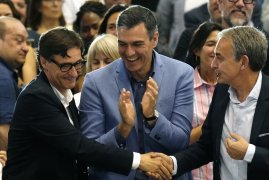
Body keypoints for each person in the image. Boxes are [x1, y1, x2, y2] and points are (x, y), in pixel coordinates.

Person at [2, 27, 172, 180]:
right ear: (44, 62)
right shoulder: (37, 98)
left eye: (78, 64)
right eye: (66, 66)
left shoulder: (63, 92)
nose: (74, 72)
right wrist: (138, 160)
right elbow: (80, 147)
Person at [155, 26, 269, 180]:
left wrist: (250, 153)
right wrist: (172, 163)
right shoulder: (222, 92)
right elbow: (206, 146)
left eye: (220, 57)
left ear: (243, 62)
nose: (213, 64)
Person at [79, 5, 194, 180]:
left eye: (137, 44)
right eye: (122, 44)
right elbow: (91, 152)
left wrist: (152, 118)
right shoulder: (95, 82)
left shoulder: (181, 74)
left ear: (154, 39)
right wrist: (123, 128)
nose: (129, 52)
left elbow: (181, 142)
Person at [187, 22, 223, 180]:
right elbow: (178, 140)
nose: (216, 50)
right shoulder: (183, 87)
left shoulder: (234, 87)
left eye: (221, 45)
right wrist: (211, 124)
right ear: (196, 50)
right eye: (210, 44)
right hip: (194, 174)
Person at [217, 0, 269, 80]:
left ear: (253, 4)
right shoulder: (204, 45)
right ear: (220, 2)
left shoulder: (268, 51)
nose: (240, 4)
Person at [0, 16, 28, 151]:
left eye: (26, 41)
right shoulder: (2, 77)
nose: (26, 48)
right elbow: (4, 132)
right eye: (19, 41)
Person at [74, 34, 120, 107]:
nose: (101, 67)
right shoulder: (76, 101)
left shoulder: (133, 96)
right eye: (96, 62)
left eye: (108, 62)